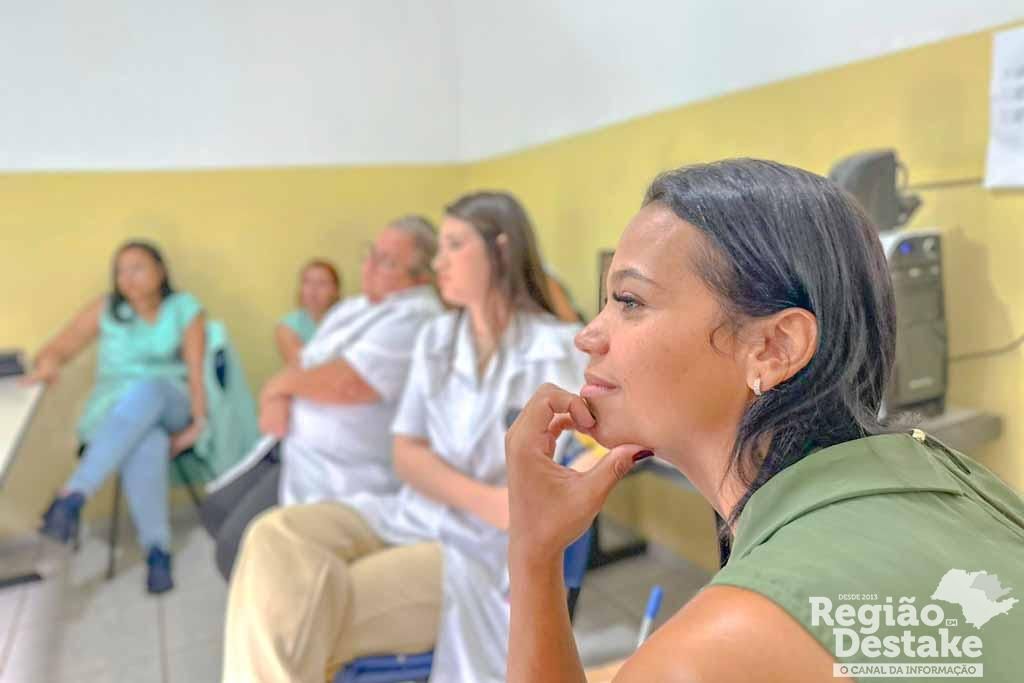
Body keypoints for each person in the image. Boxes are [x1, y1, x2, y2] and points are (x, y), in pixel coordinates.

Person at [504, 159, 1024, 682]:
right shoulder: (950, 477)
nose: (587, 336)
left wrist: (528, 554)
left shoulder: (713, 652)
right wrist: (537, 550)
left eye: (630, 301)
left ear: (775, 347)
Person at [221, 191, 588, 683]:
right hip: (407, 512)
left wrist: (537, 506)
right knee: (272, 535)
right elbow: (406, 452)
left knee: (295, 605)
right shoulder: (437, 338)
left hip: (477, 552)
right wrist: (488, 501)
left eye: (454, 245)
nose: (438, 262)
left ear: (500, 249)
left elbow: (606, 450)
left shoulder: (555, 349)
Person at [209, 216, 441, 580]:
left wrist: (277, 388)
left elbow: (347, 384)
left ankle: (283, 604)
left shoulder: (417, 316)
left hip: (342, 466)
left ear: (421, 278)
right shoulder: (355, 307)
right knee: (216, 509)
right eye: (371, 254)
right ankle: (267, 595)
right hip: (295, 441)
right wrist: (278, 394)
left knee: (235, 546)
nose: (369, 267)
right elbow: (304, 364)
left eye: (386, 262)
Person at [29, 241, 206, 594]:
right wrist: (47, 365)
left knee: (149, 387)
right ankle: (157, 551)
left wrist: (198, 425)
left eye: (137, 268)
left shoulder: (184, 308)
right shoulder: (106, 309)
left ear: (161, 271)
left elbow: (196, 370)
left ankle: (73, 494)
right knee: (148, 441)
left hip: (169, 399)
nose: (128, 278)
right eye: (121, 271)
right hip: (114, 412)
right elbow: (57, 348)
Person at [276, 260, 342, 366]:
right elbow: (301, 366)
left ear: (335, 291)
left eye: (322, 283)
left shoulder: (348, 321)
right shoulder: (287, 327)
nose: (313, 289)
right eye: (307, 282)